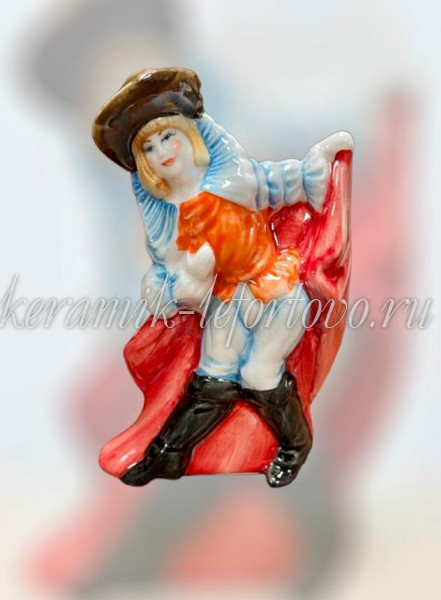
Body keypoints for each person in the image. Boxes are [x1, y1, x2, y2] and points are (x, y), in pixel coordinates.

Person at [92, 67, 353, 487]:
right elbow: (176, 276)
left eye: (168, 136)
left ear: (190, 135)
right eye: (149, 147)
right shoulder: (170, 218)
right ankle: (169, 455)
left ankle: (294, 446)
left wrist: (316, 166)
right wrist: (169, 286)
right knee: (212, 377)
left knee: (259, 375)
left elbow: (280, 183)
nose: (162, 151)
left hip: (276, 293)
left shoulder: (238, 180)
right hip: (229, 300)